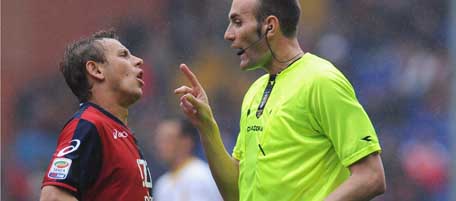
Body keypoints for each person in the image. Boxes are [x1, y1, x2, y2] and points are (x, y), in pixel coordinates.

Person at [174, 0, 386, 200]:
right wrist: (206, 126)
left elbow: (371, 176)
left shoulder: (321, 80)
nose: (228, 34)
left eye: (238, 22)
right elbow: (237, 194)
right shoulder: (255, 91)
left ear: (270, 26)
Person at [39, 30, 153, 201]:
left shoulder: (119, 132)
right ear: (96, 70)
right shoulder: (88, 125)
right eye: (124, 55)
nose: (139, 61)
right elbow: (53, 197)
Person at [152, 118, 223, 201]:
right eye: (159, 139)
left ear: (186, 142)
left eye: (168, 139)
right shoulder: (161, 185)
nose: (161, 145)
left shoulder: (200, 175)